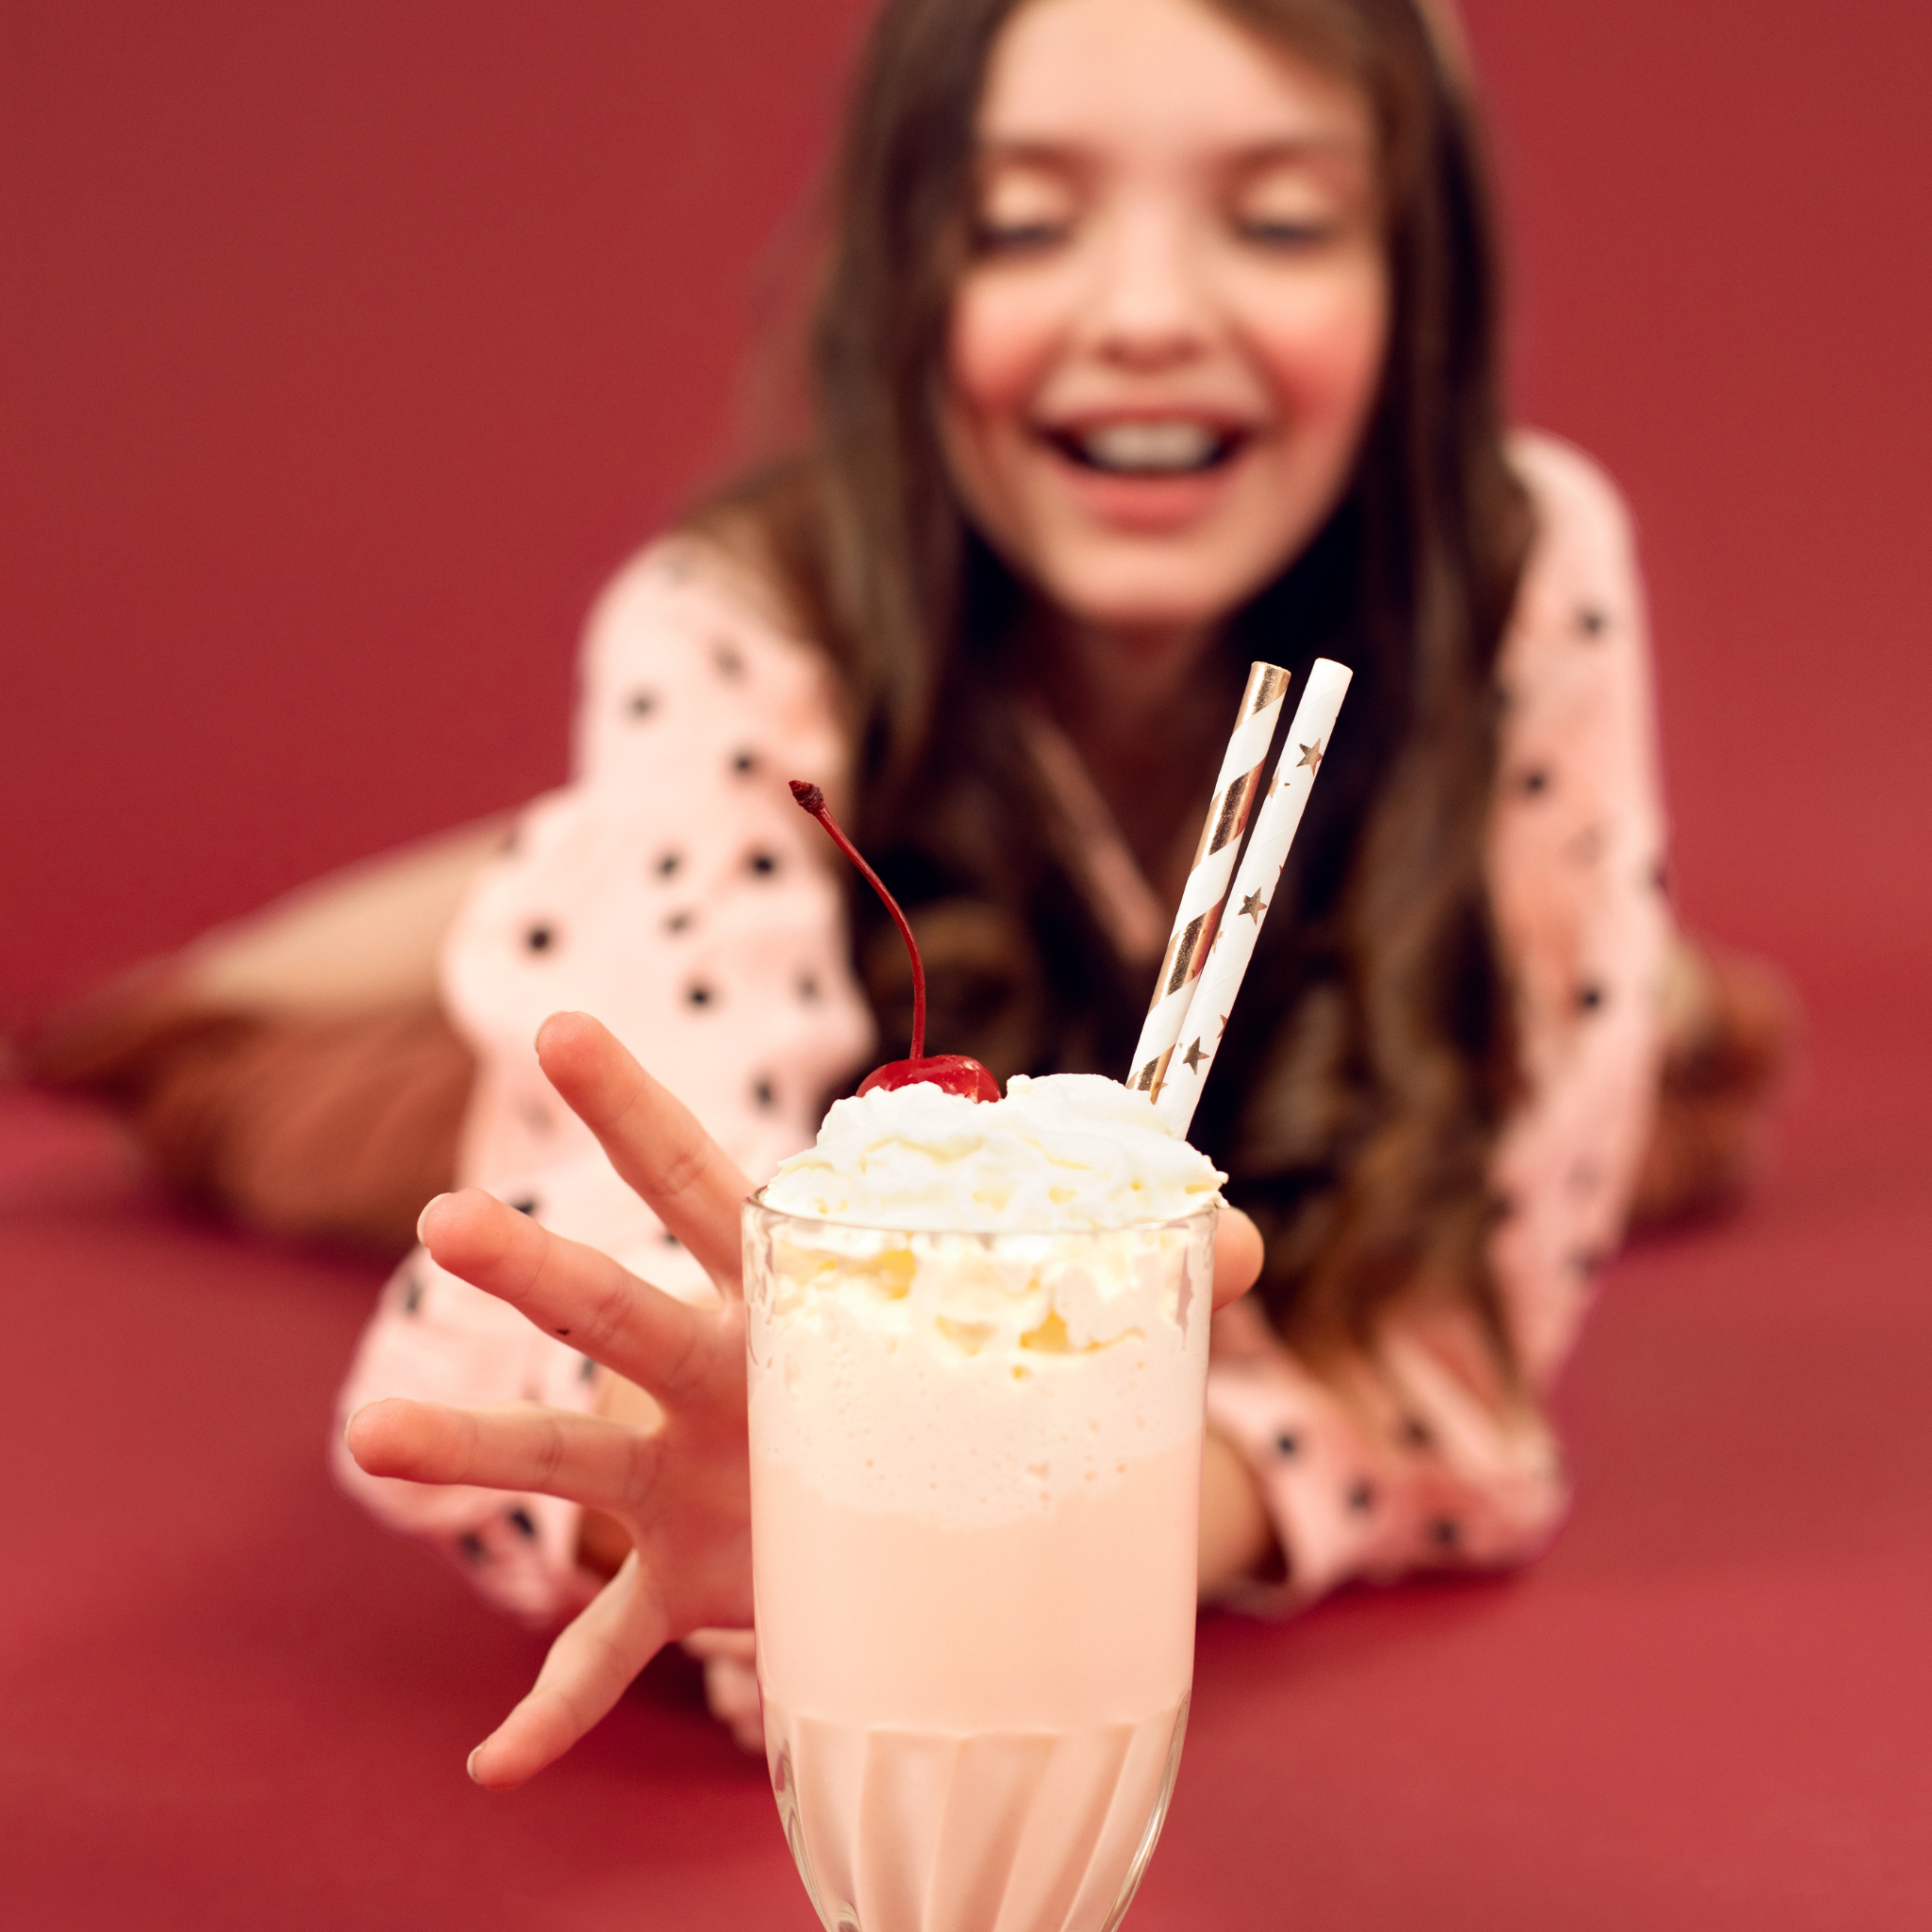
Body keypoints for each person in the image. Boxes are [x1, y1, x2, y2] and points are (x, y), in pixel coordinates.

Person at [24, 0, 1790, 1784]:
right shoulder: (734, 621)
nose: (1151, 313)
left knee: (1672, 1083)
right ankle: (324, 946)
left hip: (1293, 1040)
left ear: (1423, 283)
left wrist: (1062, 1520)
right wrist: (756, 1472)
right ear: (909, 277)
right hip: (776, 930)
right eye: (1027, 221)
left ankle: (1681, 988)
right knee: (310, 1099)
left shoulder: (1520, 569)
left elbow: (1449, 1374)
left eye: (1280, 219)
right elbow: (633, 1262)